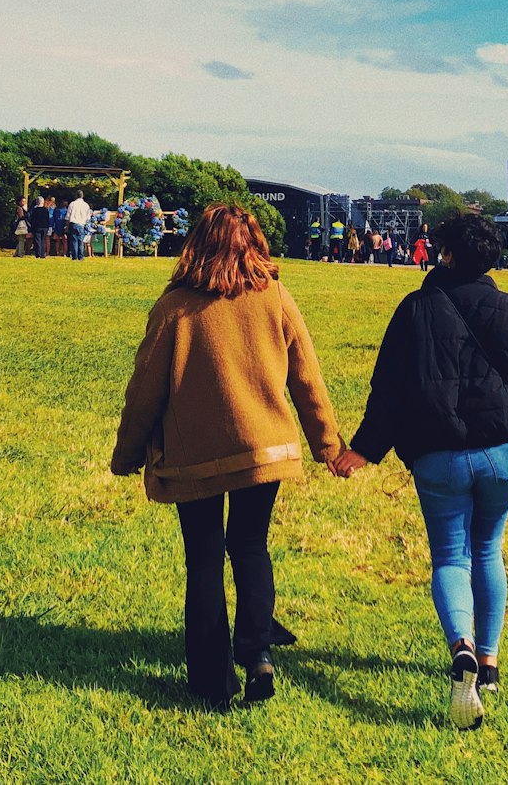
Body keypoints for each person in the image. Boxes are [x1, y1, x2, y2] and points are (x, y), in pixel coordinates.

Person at [335, 214, 508, 730]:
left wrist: (363, 450)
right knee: (488, 549)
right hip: (502, 455)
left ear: (444, 253)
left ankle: (461, 647)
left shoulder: (414, 309)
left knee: (452, 555)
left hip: (438, 455)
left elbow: (389, 392)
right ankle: (488, 664)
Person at [111, 204, 344, 711]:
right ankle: (257, 652)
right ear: (255, 243)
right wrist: (328, 444)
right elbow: (308, 379)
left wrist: (126, 455)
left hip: (193, 456)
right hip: (265, 449)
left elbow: (144, 391)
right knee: (251, 547)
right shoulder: (276, 297)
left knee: (204, 560)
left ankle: (213, 681)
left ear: (197, 243)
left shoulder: (174, 308)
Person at [65, 190, 92, 261]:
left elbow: (68, 216)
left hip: (73, 223)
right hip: (81, 225)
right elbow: (88, 218)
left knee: (74, 241)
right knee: (81, 241)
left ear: (76, 195)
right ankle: (81, 256)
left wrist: (67, 226)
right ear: (82, 196)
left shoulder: (72, 204)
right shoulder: (86, 205)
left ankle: (74, 256)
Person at [29, 193, 51, 259]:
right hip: (45, 227)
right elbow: (47, 219)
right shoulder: (46, 210)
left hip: (37, 227)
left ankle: (38, 254)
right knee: (43, 240)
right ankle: (42, 254)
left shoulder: (35, 210)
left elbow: (32, 219)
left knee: (37, 240)